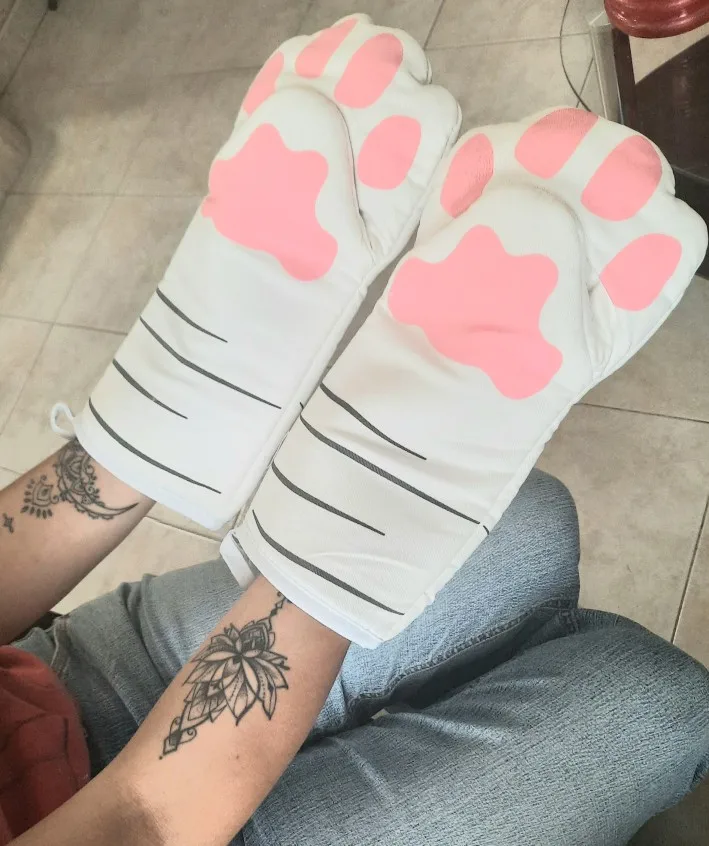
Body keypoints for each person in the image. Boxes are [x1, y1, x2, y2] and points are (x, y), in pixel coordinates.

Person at [1, 440, 708, 846]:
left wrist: (159, 414)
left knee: (523, 526)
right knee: (653, 710)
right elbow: (144, 818)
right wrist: (340, 557)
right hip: (139, 828)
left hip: (59, 685)